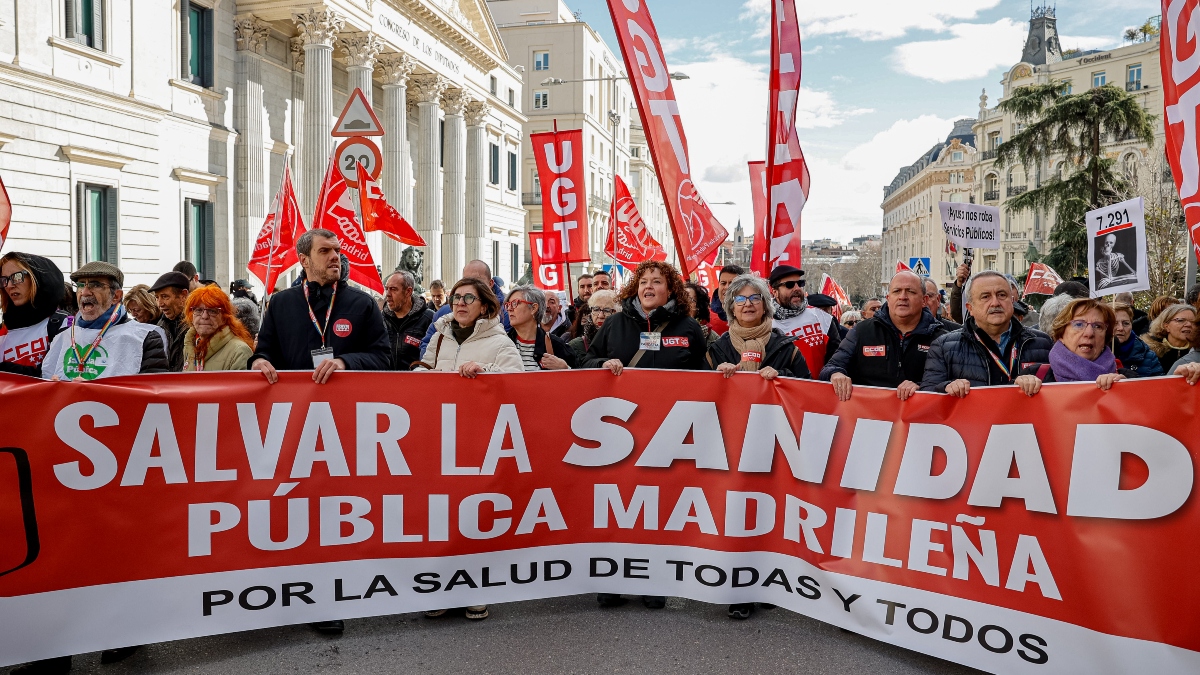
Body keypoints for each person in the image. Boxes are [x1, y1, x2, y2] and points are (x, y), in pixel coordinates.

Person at [583, 260, 705, 610]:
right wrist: (601, 365)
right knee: (617, 506)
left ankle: (654, 579)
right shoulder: (615, 324)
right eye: (643, 281)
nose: (649, 286)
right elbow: (586, 363)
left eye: (657, 281)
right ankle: (612, 578)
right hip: (619, 435)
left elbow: (705, 377)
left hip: (668, 436)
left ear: (671, 289)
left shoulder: (688, 328)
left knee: (658, 508)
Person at [250, 228, 390, 386]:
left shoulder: (363, 303)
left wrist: (345, 362)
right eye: (324, 251)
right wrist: (259, 361)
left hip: (346, 397)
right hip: (296, 398)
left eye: (337, 250)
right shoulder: (280, 303)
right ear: (304, 260)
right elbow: (265, 351)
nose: (335, 256)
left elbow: (383, 358)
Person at [822, 271, 950, 401]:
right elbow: (830, 367)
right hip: (869, 412)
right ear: (888, 299)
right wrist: (835, 374)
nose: (903, 297)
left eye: (910, 291)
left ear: (924, 300)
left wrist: (922, 388)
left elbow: (950, 383)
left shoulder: (942, 339)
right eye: (897, 291)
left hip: (919, 412)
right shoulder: (861, 331)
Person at [920, 270, 1052, 396]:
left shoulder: (1042, 343)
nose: (995, 303)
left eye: (1002, 295)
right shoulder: (943, 347)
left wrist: (1037, 385)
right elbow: (928, 395)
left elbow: (1058, 394)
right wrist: (946, 388)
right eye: (985, 297)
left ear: (1012, 301)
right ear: (970, 308)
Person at [43, 261, 168, 380]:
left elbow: (152, 389)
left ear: (116, 296)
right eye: (80, 285)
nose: (85, 292)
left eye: (95, 285)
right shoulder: (63, 336)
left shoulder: (146, 337)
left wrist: (94, 390)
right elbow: (45, 381)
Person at [707, 274, 810, 383]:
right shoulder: (716, 350)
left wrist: (781, 376)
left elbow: (807, 388)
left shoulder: (788, 350)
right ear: (732, 309)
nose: (748, 304)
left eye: (755, 298)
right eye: (740, 299)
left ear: (765, 306)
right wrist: (716, 376)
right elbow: (703, 389)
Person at [1013, 299, 1131, 393]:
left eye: (1098, 326)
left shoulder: (1127, 378)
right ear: (1061, 334)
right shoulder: (1035, 374)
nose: (1089, 333)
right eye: (1078, 324)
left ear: (1106, 337)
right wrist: (1016, 390)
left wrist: (1128, 392)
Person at [418, 277, 523, 380]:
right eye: (456, 297)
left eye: (469, 298)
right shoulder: (439, 337)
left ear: (484, 307)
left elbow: (516, 383)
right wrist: (426, 376)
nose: (460, 303)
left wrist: (485, 373)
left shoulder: (502, 344)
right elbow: (421, 372)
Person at [0, 252, 71, 377]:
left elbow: (55, 374)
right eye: (4, 280)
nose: (9, 285)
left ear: (37, 279)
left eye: (17, 277)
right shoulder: (3, 331)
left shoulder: (63, 324)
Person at [420, 261, 509, 355]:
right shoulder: (443, 315)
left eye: (477, 281)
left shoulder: (506, 315)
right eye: (466, 280)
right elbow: (427, 348)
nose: (470, 285)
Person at [768, 265, 841, 373]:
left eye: (800, 283)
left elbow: (837, 357)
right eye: (789, 285)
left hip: (821, 382)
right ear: (775, 292)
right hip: (788, 383)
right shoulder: (767, 325)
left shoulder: (821, 317)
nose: (797, 288)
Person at [181, 286, 254, 371]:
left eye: (212, 311)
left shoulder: (240, 351)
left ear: (225, 317)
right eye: (198, 310)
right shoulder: (190, 345)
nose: (204, 316)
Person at [505, 285, 576, 371]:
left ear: (534, 308)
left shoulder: (556, 345)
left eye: (515, 303)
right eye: (508, 304)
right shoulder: (503, 344)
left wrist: (565, 369)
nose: (509, 309)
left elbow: (580, 376)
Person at [381, 270, 433, 370]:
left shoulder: (429, 319)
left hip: (416, 378)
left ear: (408, 291)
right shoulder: (380, 319)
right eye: (386, 289)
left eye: (393, 289)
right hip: (385, 378)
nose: (388, 294)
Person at [150, 271, 192, 372]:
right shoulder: (160, 326)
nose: (160, 304)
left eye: (165, 297)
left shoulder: (198, 325)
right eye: (157, 297)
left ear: (183, 295)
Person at [1110, 301, 1163, 377]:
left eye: (1126, 323)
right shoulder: (1093, 354)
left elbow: (1160, 383)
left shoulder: (1149, 357)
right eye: (1114, 323)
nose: (1120, 328)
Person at [1141, 303, 1196, 372]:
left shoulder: (1197, 351)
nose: (1189, 324)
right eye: (1181, 320)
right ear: (1166, 326)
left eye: (1193, 322)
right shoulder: (1147, 351)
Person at [568, 289, 617, 363]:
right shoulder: (576, 345)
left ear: (617, 313)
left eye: (607, 310)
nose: (600, 316)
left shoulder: (625, 341)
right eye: (596, 309)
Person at [708, 264, 744, 335]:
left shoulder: (752, 315)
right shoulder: (706, 317)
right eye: (723, 283)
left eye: (732, 283)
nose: (727, 287)